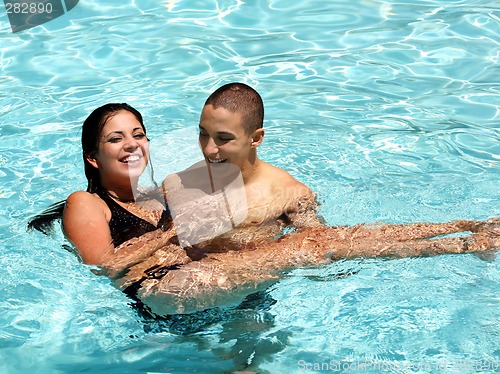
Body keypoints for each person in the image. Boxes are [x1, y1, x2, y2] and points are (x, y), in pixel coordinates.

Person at [28, 103, 190, 269]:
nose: (132, 144)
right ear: (92, 157)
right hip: (162, 286)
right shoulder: (85, 203)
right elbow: (105, 266)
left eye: (138, 135)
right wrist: (170, 233)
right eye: (115, 139)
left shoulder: (165, 192)